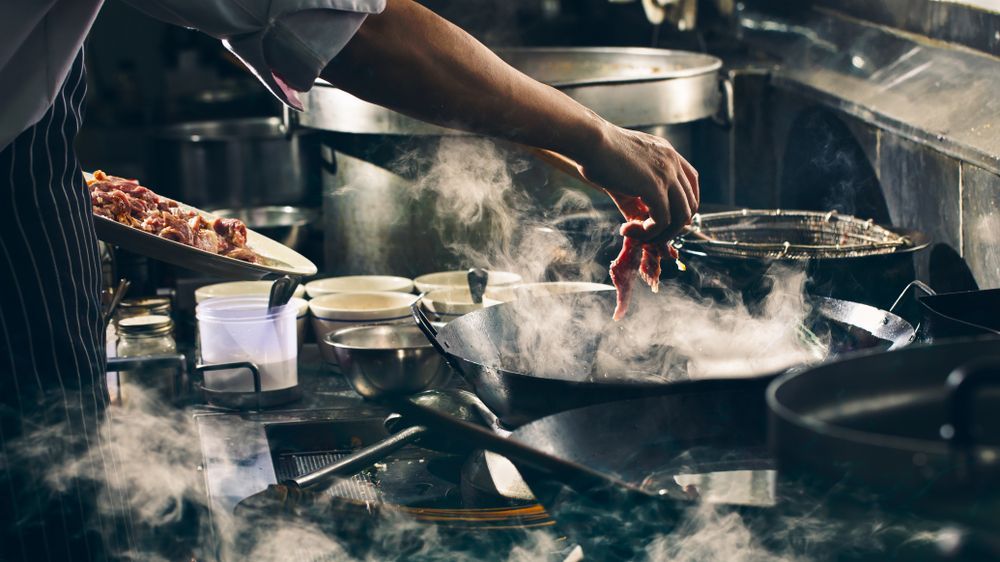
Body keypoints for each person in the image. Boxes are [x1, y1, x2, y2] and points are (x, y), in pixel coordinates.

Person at [0, 1, 699, 560]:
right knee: (33, 504)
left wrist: (574, 150)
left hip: (32, 153)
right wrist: (594, 137)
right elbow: (355, 28)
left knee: (54, 481)